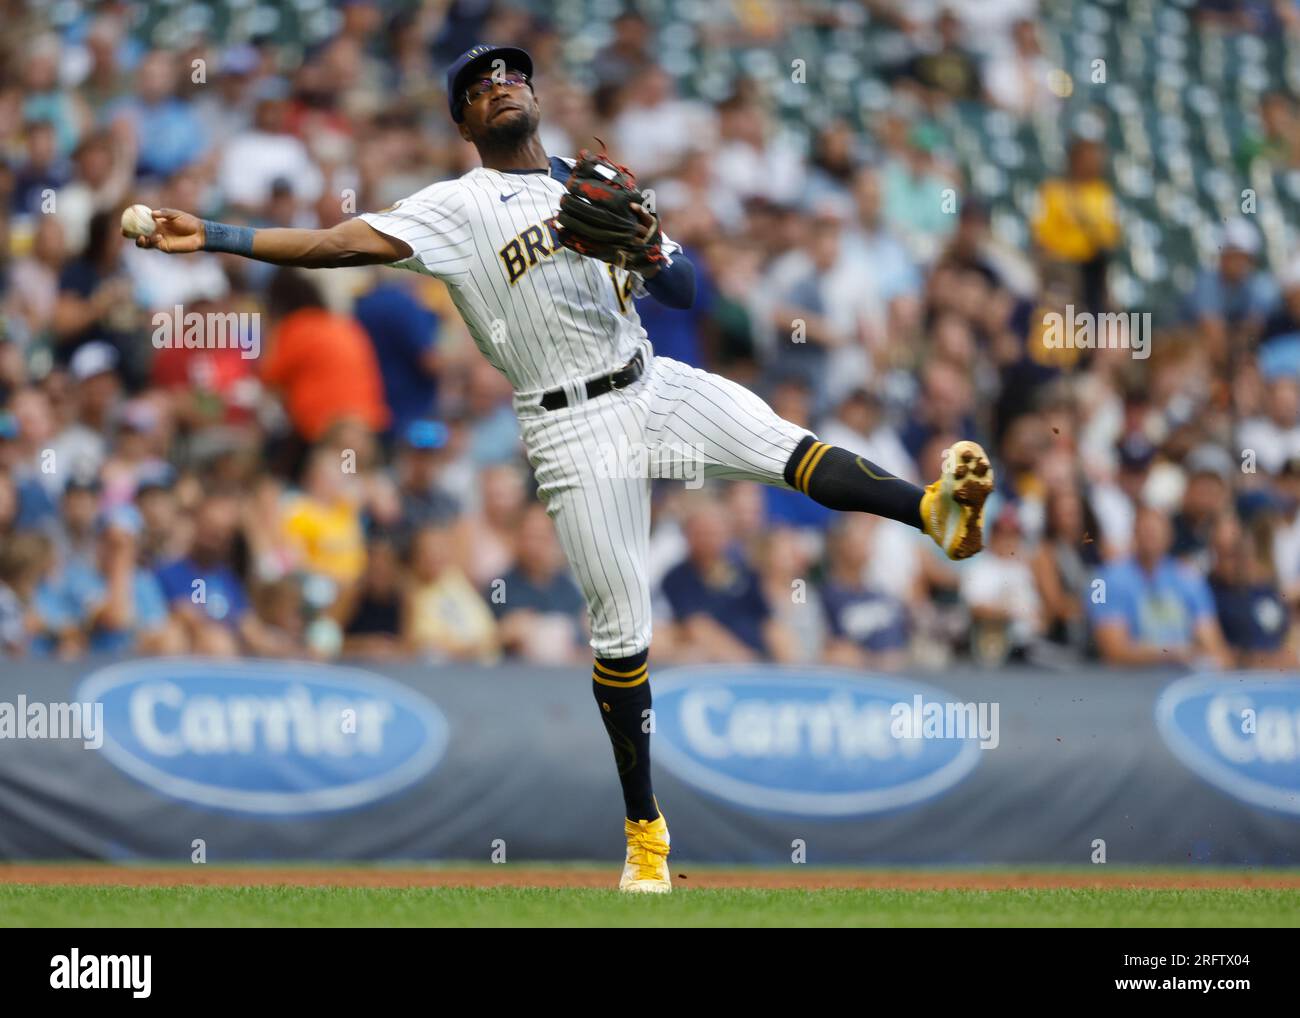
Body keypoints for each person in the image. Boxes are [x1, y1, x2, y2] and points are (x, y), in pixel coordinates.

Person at [127, 43, 994, 894]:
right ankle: (646, 834)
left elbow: (691, 293)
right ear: (464, 120)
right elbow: (335, 244)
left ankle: (931, 513)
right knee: (624, 630)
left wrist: (652, 243)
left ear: (534, 94)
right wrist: (217, 235)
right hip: (571, 426)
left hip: (649, 378)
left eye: (511, 74)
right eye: (479, 84)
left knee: (784, 446)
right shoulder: (455, 207)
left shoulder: (593, 180)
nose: (500, 85)